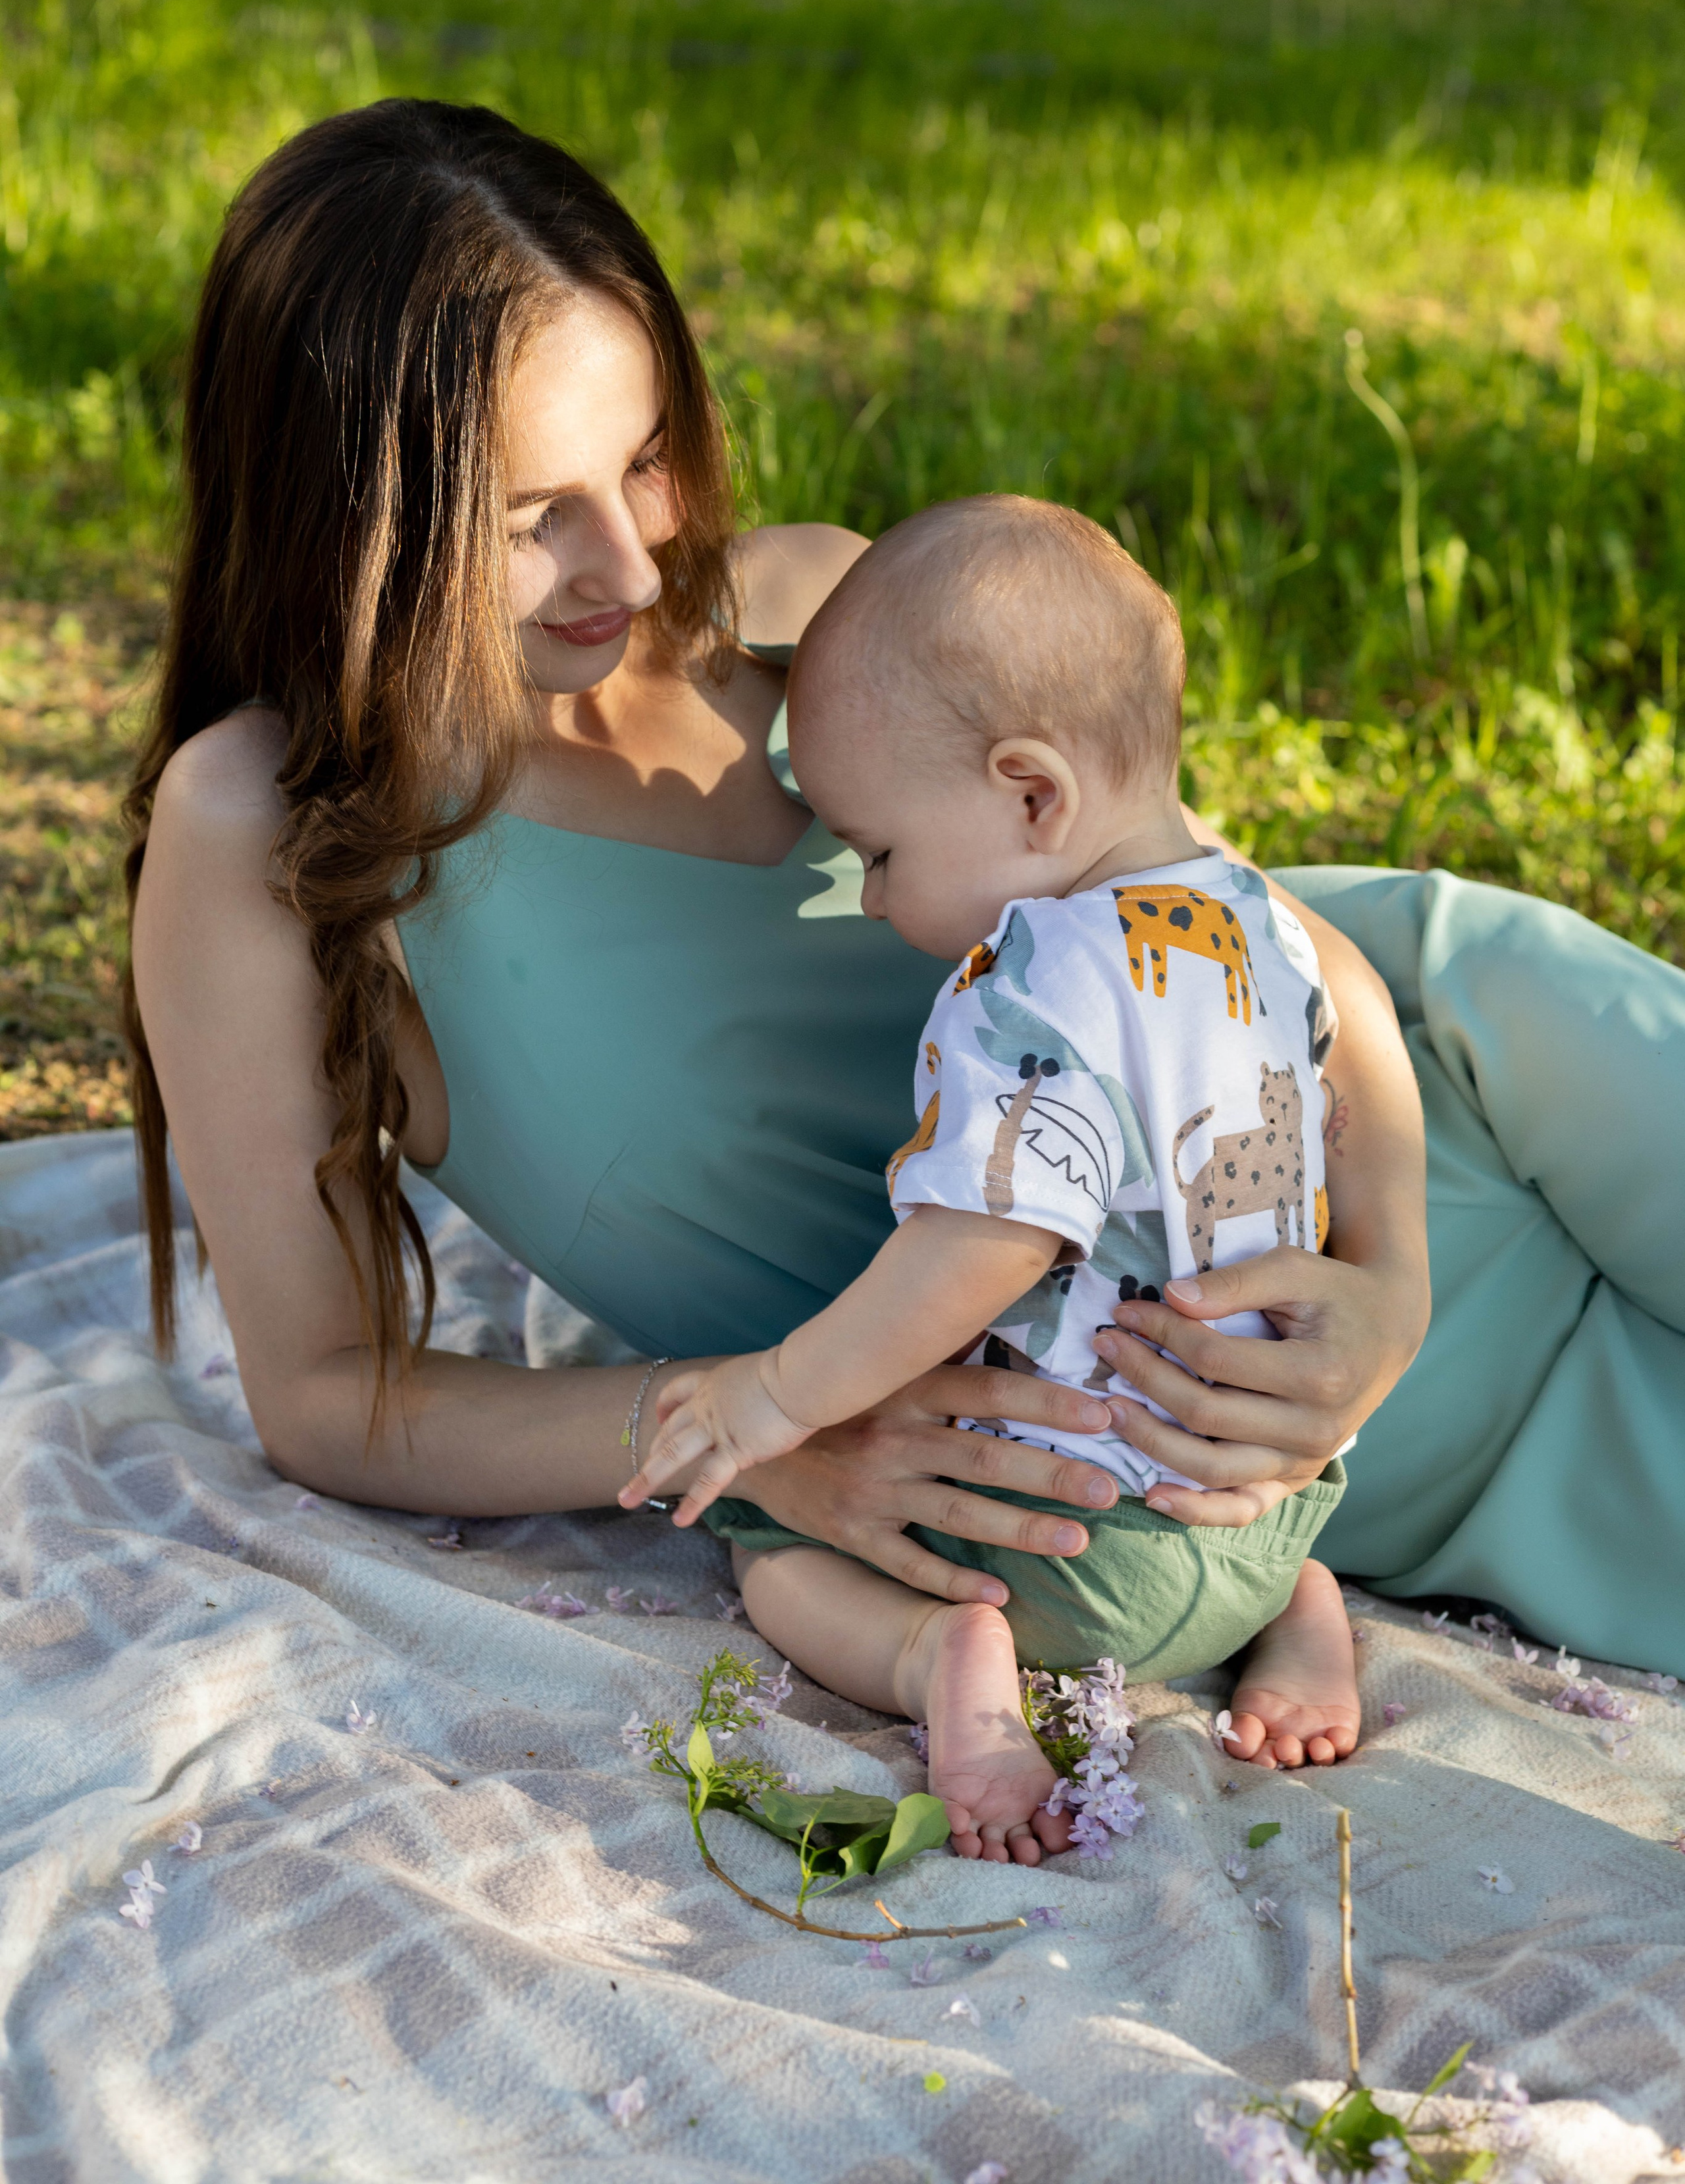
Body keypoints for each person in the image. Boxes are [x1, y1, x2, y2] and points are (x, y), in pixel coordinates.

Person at [125, 99, 1685, 1723]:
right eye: (532, 519)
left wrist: (1391, 1289)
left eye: (644, 461)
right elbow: (322, 1397)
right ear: (338, 512)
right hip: (1266, 1486)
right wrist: (757, 1428)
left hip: (1473, 1113)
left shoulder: (812, 605)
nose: (636, 565)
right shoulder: (270, 833)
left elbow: (1243, 925)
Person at [621, 499, 1370, 1859]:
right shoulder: (1268, 932)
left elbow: (987, 1240)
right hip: (1273, 1494)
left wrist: (779, 1392)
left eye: (882, 855)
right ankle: (1297, 1608)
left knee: (761, 1545)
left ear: (1031, 795)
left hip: (1082, 1558)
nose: (864, 900)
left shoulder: (1032, 978)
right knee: (1239, 1510)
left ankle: (934, 1665)